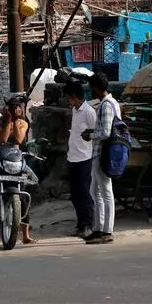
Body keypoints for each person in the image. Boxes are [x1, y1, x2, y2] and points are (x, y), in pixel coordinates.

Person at [0, 93, 35, 244]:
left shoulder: (23, 123)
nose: (16, 110)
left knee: (31, 183)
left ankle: (25, 234)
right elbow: (2, 139)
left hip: (16, 160)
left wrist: (15, 120)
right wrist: (8, 119)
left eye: (18, 107)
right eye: (13, 107)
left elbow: (20, 139)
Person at [80, 73, 119, 245]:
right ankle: (98, 228)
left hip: (104, 152)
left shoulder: (107, 105)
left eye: (91, 88)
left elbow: (105, 133)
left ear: (96, 87)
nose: (90, 91)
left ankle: (107, 231)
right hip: (99, 152)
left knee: (105, 191)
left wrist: (91, 135)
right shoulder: (108, 103)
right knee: (96, 191)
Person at [63, 81, 96, 238]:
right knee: (75, 193)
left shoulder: (88, 112)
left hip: (85, 158)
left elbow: (95, 133)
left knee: (84, 193)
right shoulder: (75, 111)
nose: (68, 100)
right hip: (73, 157)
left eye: (69, 97)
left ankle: (88, 224)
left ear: (74, 97)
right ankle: (80, 223)